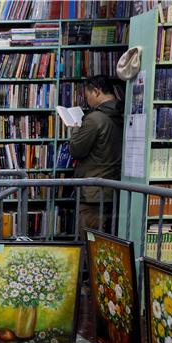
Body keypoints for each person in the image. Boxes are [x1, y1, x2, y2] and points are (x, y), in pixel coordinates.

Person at [69, 75, 125, 239]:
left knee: (90, 242)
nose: (88, 102)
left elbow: (76, 150)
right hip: (114, 190)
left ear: (97, 92)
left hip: (93, 192)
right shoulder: (123, 114)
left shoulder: (95, 118)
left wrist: (76, 129)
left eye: (88, 96)